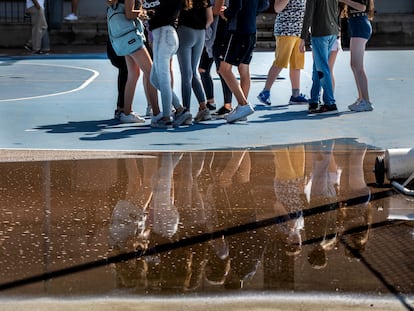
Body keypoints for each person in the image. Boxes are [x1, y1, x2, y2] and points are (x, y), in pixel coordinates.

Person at [107, 0, 160, 124]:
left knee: (133, 74)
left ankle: (127, 112)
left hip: (124, 37)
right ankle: (157, 113)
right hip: (131, 36)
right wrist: (144, 13)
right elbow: (129, 14)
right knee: (151, 72)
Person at [217, 0, 269, 123]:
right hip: (251, 31)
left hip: (237, 32)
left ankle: (243, 104)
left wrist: (226, 13)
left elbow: (236, 5)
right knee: (243, 68)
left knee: (224, 69)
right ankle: (242, 109)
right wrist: (250, 13)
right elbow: (264, 4)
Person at [144, 0, 193, 128]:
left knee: (163, 79)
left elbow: (149, 5)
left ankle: (166, 117)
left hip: (164, 36)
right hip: (163, 36)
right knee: (154, 79)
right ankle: (180, 109)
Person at [257, 0, 308, 106]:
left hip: (299, 31)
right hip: (286, 30)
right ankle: (265, 92)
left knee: (297, 64)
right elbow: (277, 8)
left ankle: (295, 95)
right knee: (280, 61)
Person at [300, 0, 340, 115]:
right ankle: (314, 100)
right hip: (332, 31)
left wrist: (303, 38)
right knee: (317, 67)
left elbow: (308, 15)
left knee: (322, 68)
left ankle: (330, 103)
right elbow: (335, 10)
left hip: (320, 33)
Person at [177, 0, 214, 123]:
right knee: (193, 71)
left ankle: (186, 110)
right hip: (200, 33)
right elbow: (210, 18)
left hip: (185, 30)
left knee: (186, 74)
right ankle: (203, 108)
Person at [199, 0, 234, 118]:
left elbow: (217, 10)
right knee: (202, 69)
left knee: (222, 70)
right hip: (209, 34)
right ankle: (210, 102)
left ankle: (228, 105)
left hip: (220, 31)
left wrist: (205, 10)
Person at [340, 0, 375, 112]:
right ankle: (361, 98)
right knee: (354, 65)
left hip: (360, 25)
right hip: (357, 26)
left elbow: (362, 7)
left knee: (358, 67)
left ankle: (366, 100)